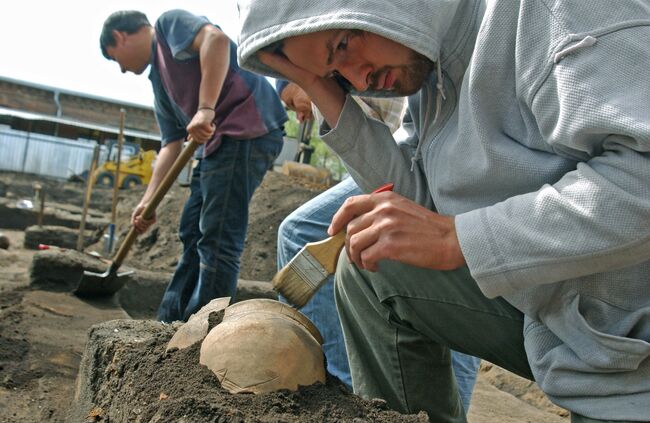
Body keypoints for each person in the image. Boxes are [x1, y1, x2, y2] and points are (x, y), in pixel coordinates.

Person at [237, 0, 650, 422]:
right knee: (374, 267)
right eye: (336, 74)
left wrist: (460, 239)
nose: (358, 78)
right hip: (561, 316)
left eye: (343, 44)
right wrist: (321, 85)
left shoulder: (550, 15)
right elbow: (418, 204)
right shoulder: (431, 74)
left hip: (632, 337)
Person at [276, 81, 480, 411]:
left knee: (299, 232)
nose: (297, 116)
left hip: (433, 159)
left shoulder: (356, 79)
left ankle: (341, 395)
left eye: (290, 100)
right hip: (425, 155)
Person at [100, 9, 287, 322]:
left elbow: (215, 39)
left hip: (245, 129)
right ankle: (170, 321)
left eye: (114, 58)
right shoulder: (159, 79)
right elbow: (171, 145)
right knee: (191, 229)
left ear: (119, 36)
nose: (120, 69)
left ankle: (203, 328)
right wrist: (148, 201)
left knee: (218, 235)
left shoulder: (167, 25)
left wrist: (204, 109)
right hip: (216, 144)